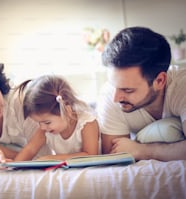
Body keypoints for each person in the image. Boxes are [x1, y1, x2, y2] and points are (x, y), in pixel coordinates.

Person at [97, 26, 186, 161]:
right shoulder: (109, 95)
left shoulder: (181, 86)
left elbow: (132, 152)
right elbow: (116, 158)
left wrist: (142, 151)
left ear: (160, 81)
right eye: (113, 86)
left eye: (128, 90)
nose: (116, 98)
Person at [14, 75, 100, 161]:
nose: (42, 127)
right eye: (38, 122)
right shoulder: (45, 130)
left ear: (66, 110)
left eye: (47, 122)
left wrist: (52, 158)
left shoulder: (87, 123)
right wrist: (14, 165)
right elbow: (30, 149)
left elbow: (90, 155)